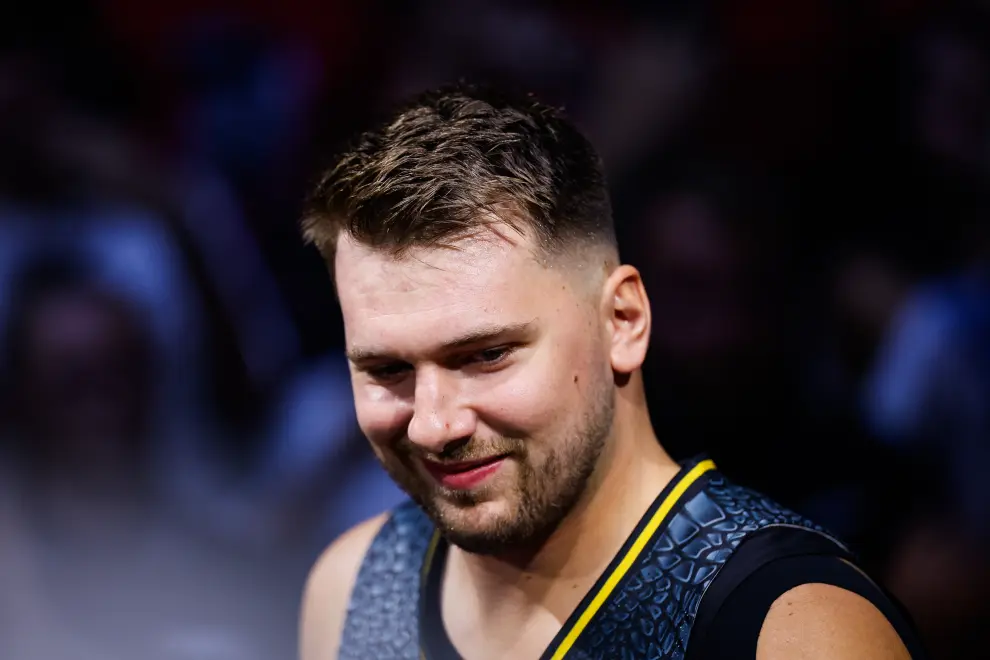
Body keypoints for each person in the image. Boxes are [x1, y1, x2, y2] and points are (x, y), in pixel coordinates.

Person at [297, 83, 927, 660]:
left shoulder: (794, 630)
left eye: (486, 356)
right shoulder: (352, 588)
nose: (433, 423)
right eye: (386, 368)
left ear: (622, 320)